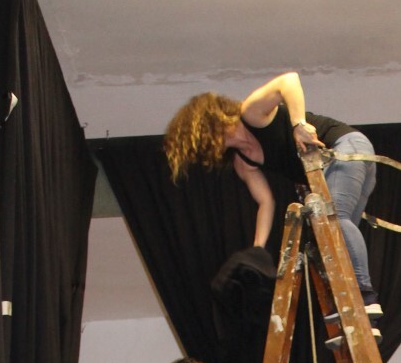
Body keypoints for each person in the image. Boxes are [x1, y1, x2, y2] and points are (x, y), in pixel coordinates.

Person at [164, 72, 382, 338]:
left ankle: (365, 298)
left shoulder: (251, 113)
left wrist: (298, 124)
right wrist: (256, 250)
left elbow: (288, 81)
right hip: (341, 164)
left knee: (334, 222)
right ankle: (360, 320)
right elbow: (265, 202)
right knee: (334, 241)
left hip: (345, 148)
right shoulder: (243, 160)